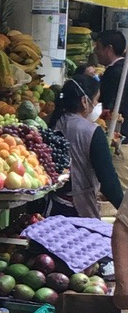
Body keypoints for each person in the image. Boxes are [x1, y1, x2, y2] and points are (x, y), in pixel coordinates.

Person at [53, 79, 123, 218]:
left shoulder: (54, 122)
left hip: (53, 205)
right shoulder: (92, 131)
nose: (97, 105)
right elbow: (108, 181)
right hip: (79, 209)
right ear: (85, 101)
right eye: (96, 100)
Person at [93, 28, 127, 131]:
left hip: (119, 129)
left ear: (109, 49)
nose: (95, 51)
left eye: (98, 47)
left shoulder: (115, 73)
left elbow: (107, 106)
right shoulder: (121, 68)